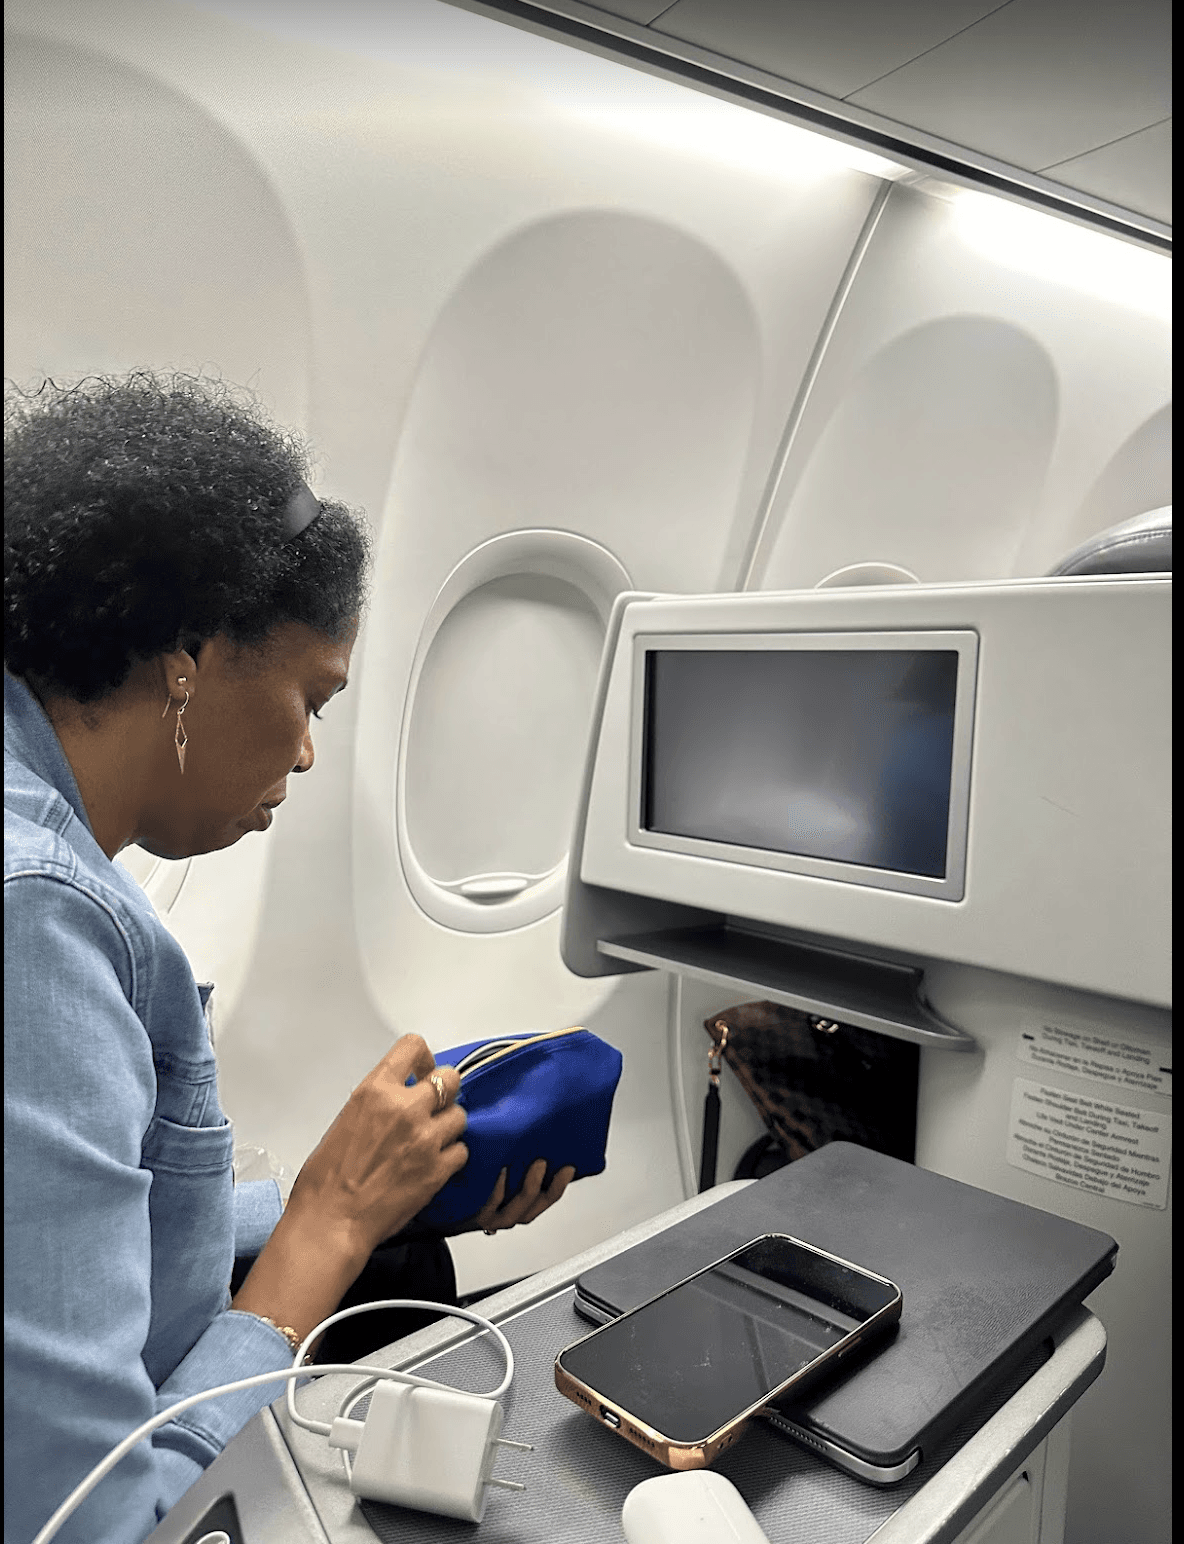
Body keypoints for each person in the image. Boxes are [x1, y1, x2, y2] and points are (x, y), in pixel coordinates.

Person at [3, 372, 574, 1544]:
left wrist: (366, 1190)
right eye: (311, 696)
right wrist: (325, 1230)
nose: (309, 752)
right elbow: (94, 1521)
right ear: (189, 654)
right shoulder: (35, 924)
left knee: (412, 1261)